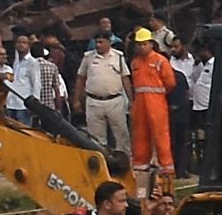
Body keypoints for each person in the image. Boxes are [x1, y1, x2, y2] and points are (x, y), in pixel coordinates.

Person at [72, 32, 131, 157]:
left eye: (101, 42)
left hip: (115, 101)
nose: (98, 45)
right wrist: (76, 99)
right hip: (94, 102)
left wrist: (131, 100)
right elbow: (80, 78)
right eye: (96, 42)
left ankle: (126, 163)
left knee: (121, 135)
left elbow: (125, 79)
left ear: (109, 42)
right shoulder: (88, 58)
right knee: (96, 138)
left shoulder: (118, 57)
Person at [128, 28, 176, 178]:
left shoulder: (160, 60)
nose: (142, 47)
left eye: (144, 44)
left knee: (160, 133)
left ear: (151, 44)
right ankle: (141, 164)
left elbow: (170, 82)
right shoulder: (135, 62)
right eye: (139, 44)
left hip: (156, 101)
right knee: (140, 133)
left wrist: (158, 94)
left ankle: (166, 166)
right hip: (140, 102)